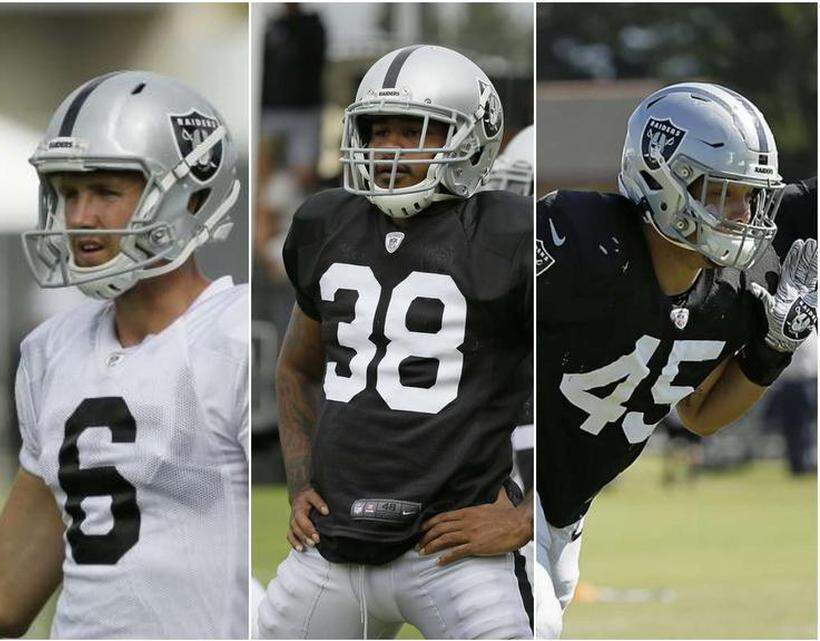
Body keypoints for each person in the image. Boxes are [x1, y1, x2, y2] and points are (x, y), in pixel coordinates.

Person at [257, 44, 534, 639]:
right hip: (329, 550)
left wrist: (528, 516)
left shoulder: (507, 234)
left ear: (471, 139)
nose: (388, 149)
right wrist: (301, 482)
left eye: (414, 133)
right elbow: (295, 368)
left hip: (452, 554)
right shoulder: (325, 223)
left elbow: (577, 386)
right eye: (377, 131)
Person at [0, 71, 249, 639]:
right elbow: (3, 592)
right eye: (69, 193)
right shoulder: (51, 350)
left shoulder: (237, 337)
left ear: (189, 196)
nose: (81, 218)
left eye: (106, 192)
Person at [534, 82, 817, 638]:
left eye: (752, 196)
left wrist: (773, 351)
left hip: (567, 516)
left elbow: (701, 414)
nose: (745, 214)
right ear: (664, 182)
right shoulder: (579, 244)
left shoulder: (730, 291)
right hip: (505, 487)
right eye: (724, 192)